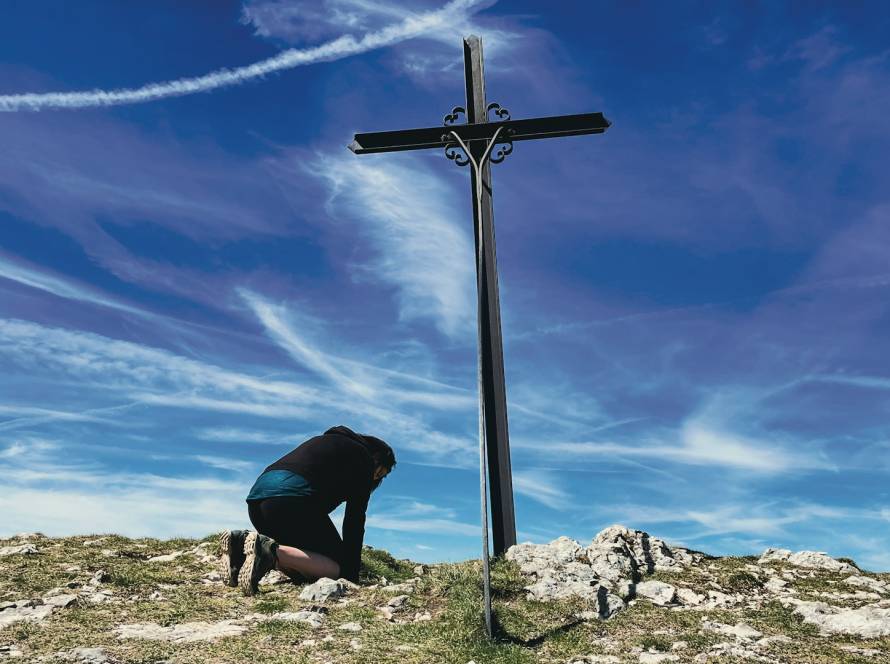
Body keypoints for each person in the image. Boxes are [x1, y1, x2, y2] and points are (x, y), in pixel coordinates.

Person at [219, 425, 395, 596]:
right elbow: (354, 520)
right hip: (290, 501)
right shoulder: (363, 459)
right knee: (337, 568)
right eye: (379, 473)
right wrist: (350, 571)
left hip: (257, 502)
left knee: (304, 569)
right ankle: (268, 552)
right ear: (376, 458)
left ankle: (240, 552)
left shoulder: (326, 442)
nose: (375, 478)